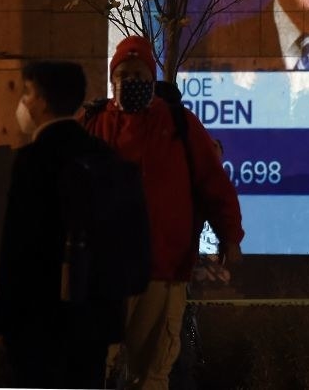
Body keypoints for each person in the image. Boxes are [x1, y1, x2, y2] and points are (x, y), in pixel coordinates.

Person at [83, 36, 244, 389]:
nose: (130, 81)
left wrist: (230, 235)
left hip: (163, 269)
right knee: (94, 368)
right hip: (105, 273)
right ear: (112, 80)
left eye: (138, 73)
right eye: (123, 73)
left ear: (152, 78)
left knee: (153, 372)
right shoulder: (94, 125)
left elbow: (213, 184)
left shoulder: (179, 125)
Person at [0, 61, 131, 388]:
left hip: (38, 320)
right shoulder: (104, 156)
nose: (23, 102)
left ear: (42, 100)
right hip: (92, 321)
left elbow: (18, 247)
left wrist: (5, 319)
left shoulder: (31, 161)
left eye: (27, 93)